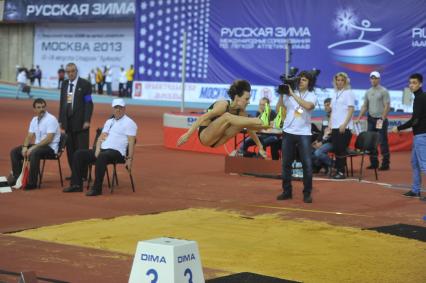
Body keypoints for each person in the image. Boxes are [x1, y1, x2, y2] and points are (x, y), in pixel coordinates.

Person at [63, 98, 137, 196]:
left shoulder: (130, 123)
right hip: (102, 150)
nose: (118, 110)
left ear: (124, 109)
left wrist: (129, 159)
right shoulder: (109, 122)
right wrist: (97, 149)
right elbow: (101, 137)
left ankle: (97, 188)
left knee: (102, 156)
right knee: (79, 154)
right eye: (116, 108)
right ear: (113, 109)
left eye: (120, 108)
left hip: (117, 152)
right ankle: (76, 185)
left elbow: (131, 142)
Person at [177, 79, 269, 157]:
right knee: (227, 117)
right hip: (205, 136)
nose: (248, 102)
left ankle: (269, 123)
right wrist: (188, 135)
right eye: (246, 99)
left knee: (244, 122)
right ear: (237, 97)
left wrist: (260, 146)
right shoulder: (222, 105)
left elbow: (250, 130)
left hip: (218, 141)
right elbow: (202, 118)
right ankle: (260, 120)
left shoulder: (241, 113)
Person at [276, 71, 317, 203]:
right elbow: (279, 110)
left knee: (307, 165)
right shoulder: (289, 94)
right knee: (286, 164)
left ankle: (307, 193)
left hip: (304, 133)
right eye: (299, 79)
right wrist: (282, 95)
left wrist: (292, 94)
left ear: (309, 82)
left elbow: (308, 106)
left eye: (304, 80)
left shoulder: (312, 95)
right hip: (288, 131)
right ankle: (287, 191)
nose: (300, 81)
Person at [9, 98, 60, 190]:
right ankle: (17, 178)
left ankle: (32, 183)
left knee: (34, 152)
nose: (42, 109)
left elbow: (49, 139)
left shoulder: (51, 119)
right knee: (15, 152)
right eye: (39, 107)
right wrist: (25, 147)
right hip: (39, 146)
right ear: (34, 109)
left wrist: (32, 148)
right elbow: (29, 136)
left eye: (43, 107)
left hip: (50, 148)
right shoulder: (34, 120)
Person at [392, 73, 426, 199]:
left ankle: (416, 190)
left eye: (414, 83)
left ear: (420, 84)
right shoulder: (420, 97)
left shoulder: (420, 98)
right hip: (419, 135)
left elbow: (414, 120)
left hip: (422, 136)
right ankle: (416, 190)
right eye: (410, 83)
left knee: (424, 165)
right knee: (415, 163)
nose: (411, 85)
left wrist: (399, 128)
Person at [58, 62, 94, 172]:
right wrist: (60, 120)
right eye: (68, 72)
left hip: (81, 123)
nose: (70, 73)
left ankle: (82, 175)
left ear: (76, 71)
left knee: (81, 150)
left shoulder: (85, 84)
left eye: (72, 71)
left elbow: (89, 103)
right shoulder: (64, 84)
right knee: (70, 150)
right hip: (68, 123)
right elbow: (63, 102)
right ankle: (74, 173)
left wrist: (87, 120)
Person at [356, 71, 391, 170]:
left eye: (375, 78)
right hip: (371, 119)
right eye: (372, 78)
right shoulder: (368, 92)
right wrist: (358, 118)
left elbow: (387, 106)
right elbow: (365, 106)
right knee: (371, 142)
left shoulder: (384, 91)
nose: (373, 80)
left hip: (380, 119)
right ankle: (374, 163)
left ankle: (385, 164)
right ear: (370, 79)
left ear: (379, 79)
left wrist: (382, 118)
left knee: (382, 141)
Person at [329, 72, 355, 179]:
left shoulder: (348, 93)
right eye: (338, 80)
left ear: (345, 81)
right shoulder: (334, 93)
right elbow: (332, 111)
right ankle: (338, 170)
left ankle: (341, 172)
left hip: (344, 127)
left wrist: (344, 124)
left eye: (341, 80)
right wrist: (330, 124)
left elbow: (351, 109)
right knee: (336, 149)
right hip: (335, 126)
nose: (339, 82)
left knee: (341, 149)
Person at [312, 98, 333, 174]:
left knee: (318, 153)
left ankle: (333, 165)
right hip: (325, 140)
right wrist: (317, 140)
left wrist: (322, 143)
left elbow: (332, 135)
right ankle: (322, 166)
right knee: (310, 148)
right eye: (325, 105)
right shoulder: (325, 117)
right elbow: (322, 132)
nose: (326, 107)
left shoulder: (336, 117)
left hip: (332, 141)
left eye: (328, 105)